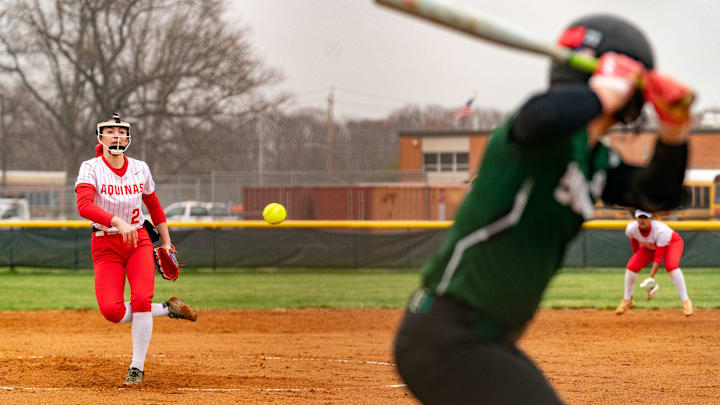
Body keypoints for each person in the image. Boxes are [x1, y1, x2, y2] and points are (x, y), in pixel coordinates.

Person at [393, 14, 694, 405]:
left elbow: (657, 195)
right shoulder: (534, 137)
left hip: (488, 340)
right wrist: (605, 91)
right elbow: (540, 116)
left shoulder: (595, 160)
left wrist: (674, 134)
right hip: (447, 336)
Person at [75, 113, 198, 386]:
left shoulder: (140, 168)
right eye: (110, 131)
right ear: (100, 138)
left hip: (139, 241)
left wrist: (166, 241)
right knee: (112, 312)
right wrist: (117, 222)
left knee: (141, 300)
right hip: (105, 243)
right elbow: (84, 206)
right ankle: (169, 309)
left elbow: (153, 206)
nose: (116, 136)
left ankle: (137, 367)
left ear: (128, 138)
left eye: (121, 132)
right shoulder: (90, 167)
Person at [616, 209, 691, 316]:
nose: (642, 220)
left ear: (650, 219)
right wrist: (637, 260)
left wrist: (651, 278)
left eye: (645, 217)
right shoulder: (631, 228)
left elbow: (658, 258)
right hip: (651, 246)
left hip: (671, 243)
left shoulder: (660, 231)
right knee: (631, 266)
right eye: (640, 217)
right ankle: (627, 300)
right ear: (636, 218)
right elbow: (635, 243)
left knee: (671, 266)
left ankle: (686, 301)